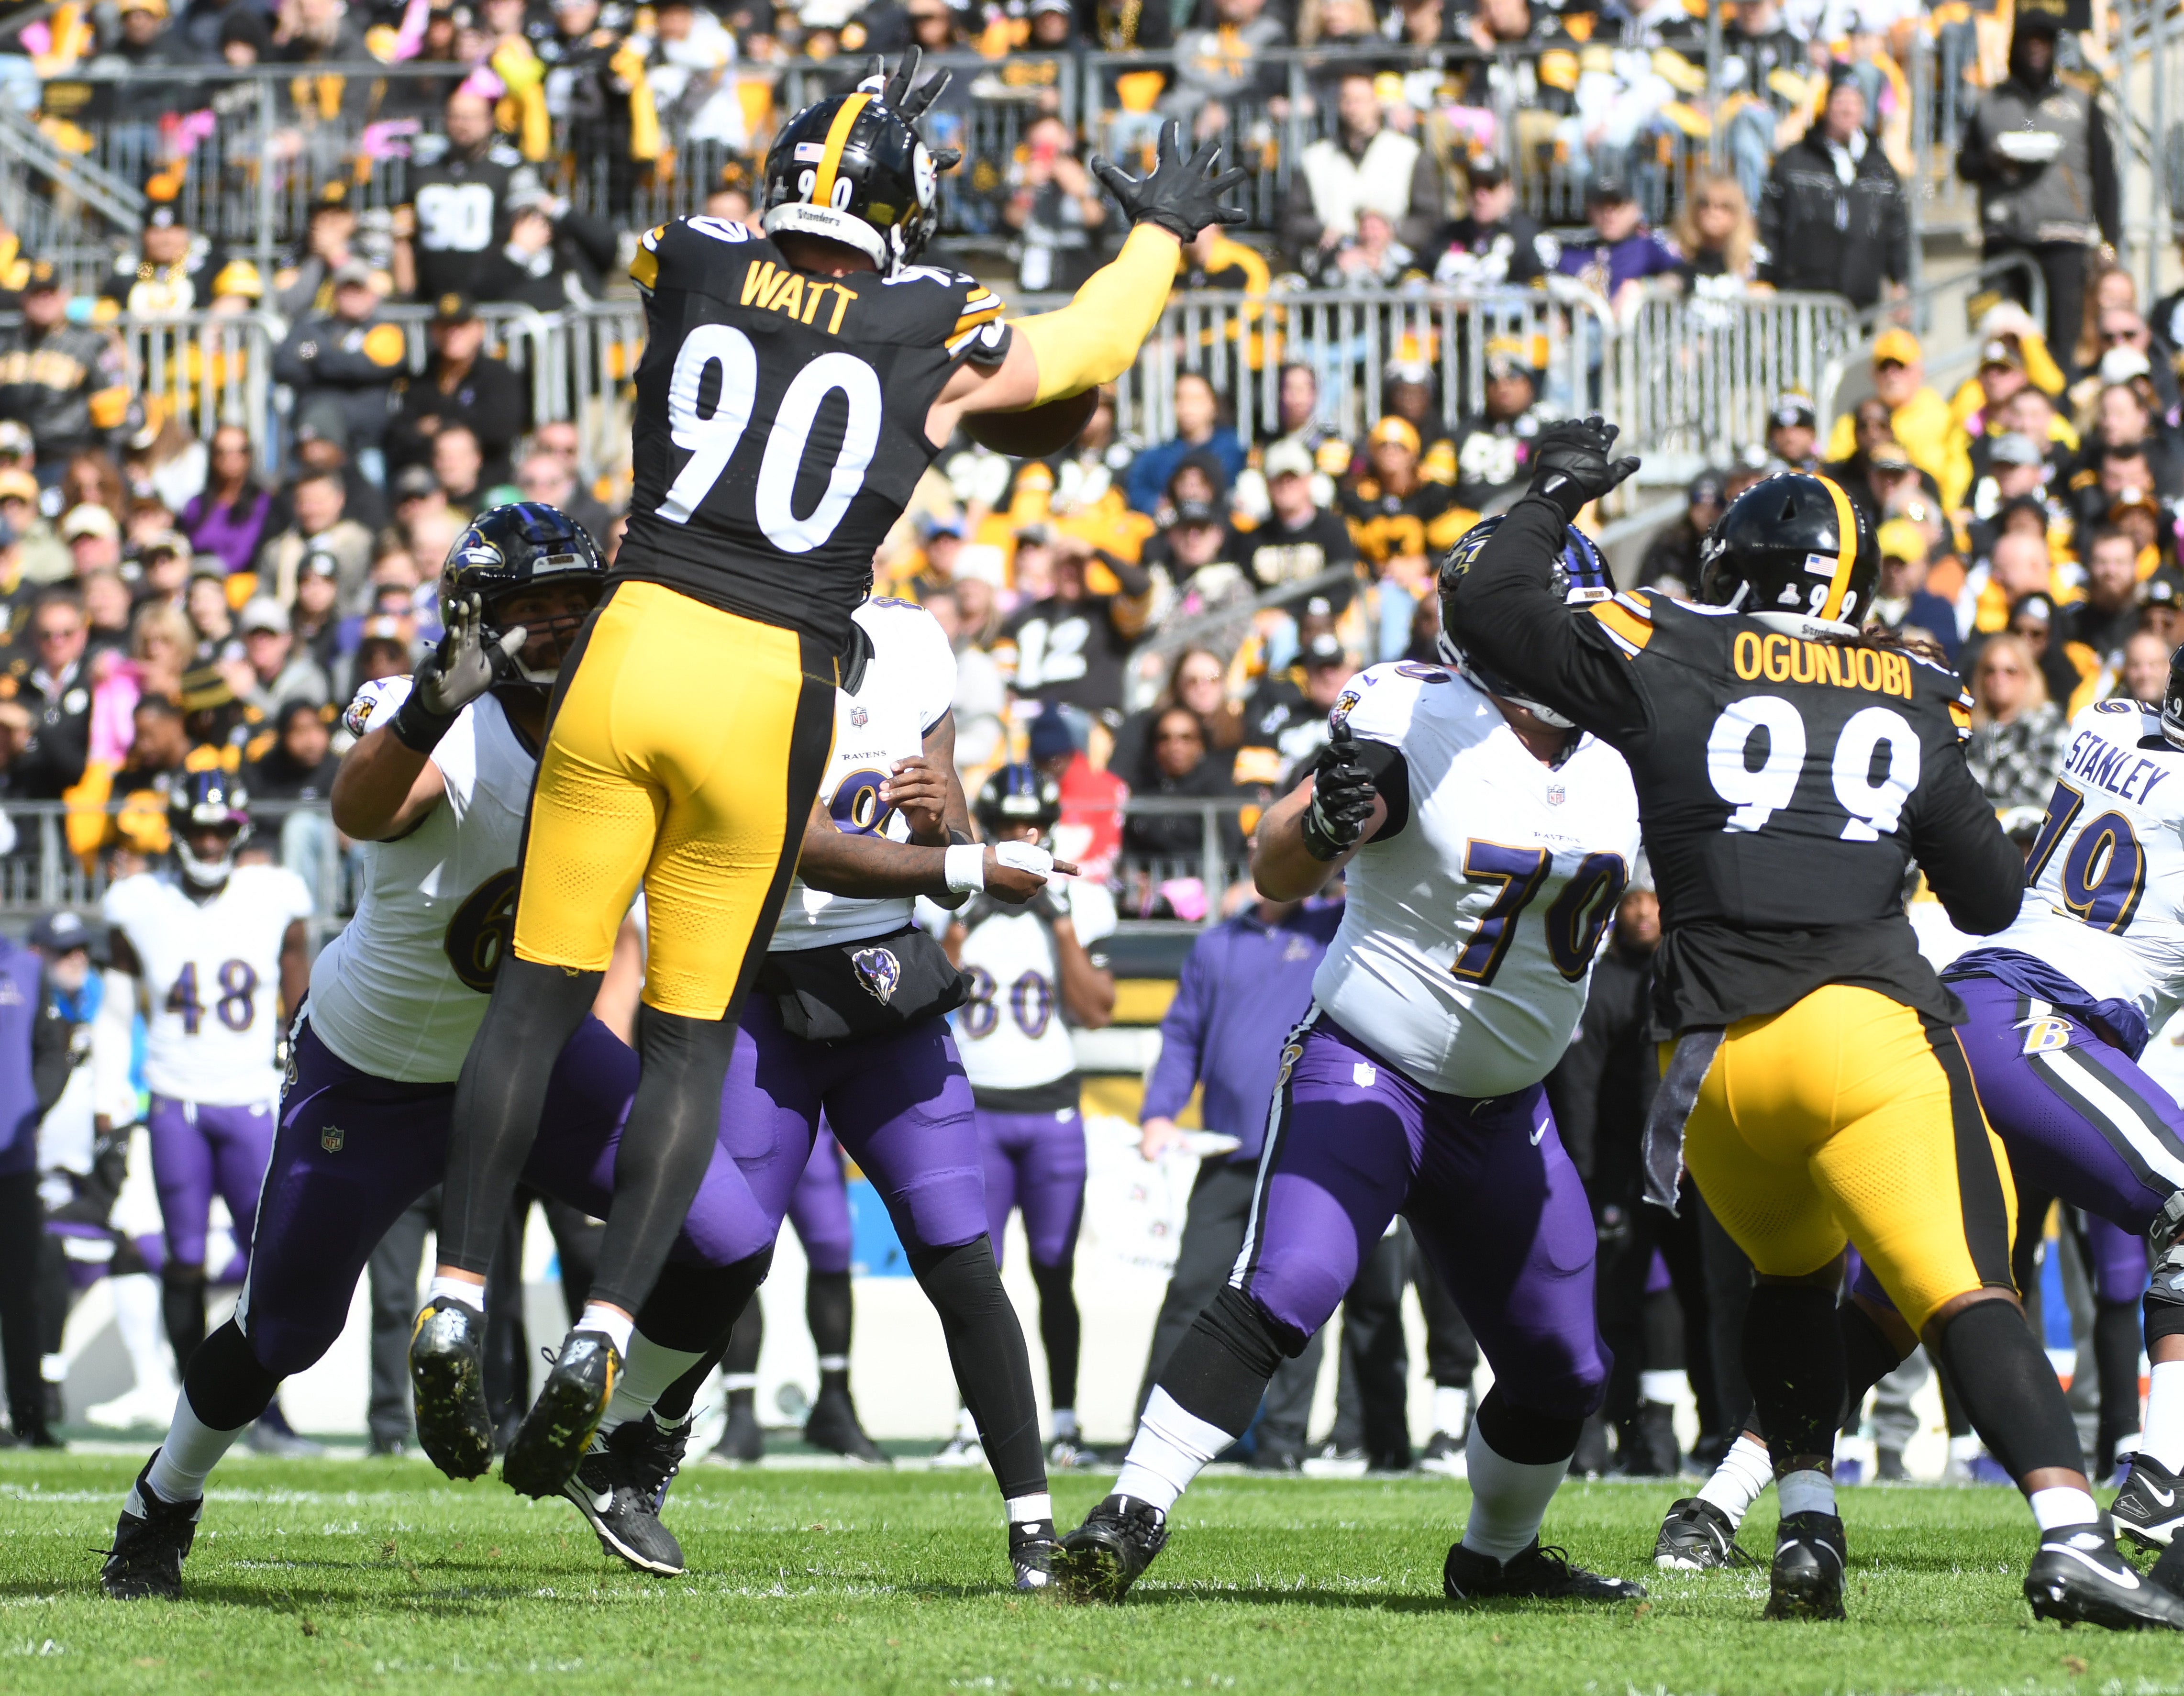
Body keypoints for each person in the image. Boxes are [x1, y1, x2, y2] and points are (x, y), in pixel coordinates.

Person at [407, 64, 1248, 1501]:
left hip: (634, 640)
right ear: (908, 212)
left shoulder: (696, 253)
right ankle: (607, 1330)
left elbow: (688, 256)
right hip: (771, 677)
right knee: (684, 1039)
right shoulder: (936, 320)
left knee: (539, 993)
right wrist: (1160, 236)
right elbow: (1089, 345)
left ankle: (459, 1287)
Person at [1444, 423, 2174, 1629]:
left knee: (1789, 1281)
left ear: (1726, 562)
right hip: (1860, 1030)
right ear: (1857, 582)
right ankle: (2073, 1531)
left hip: (1710, 1064)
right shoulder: (1907, 686)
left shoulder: (1662, 640)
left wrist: (1559, 494)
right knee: (1966, 1290)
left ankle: (1807, 1530)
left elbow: (1486, 603)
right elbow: (1992, 898)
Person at [94, 509, 785, 1598]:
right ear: (477, 618)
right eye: (532, 607)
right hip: (378, 1069)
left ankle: (622, 1443)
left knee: (729, 1235)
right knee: (286, 1325)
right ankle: (160, 1502)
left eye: (574, 601)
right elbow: (363, 806)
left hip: (537, 1055)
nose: (559, 624)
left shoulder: (627, 720)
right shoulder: (443, 716)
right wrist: (431, 699)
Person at [1055, 518, 1645, 1605]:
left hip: (1506, 1104)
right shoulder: (1418, 712)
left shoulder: (1623, 761)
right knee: (1291, 1280)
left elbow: (1657, 913)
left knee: (1566, 1367)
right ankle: (1128, 1510)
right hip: (1370, 1065)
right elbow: (1278, 861)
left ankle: (1496, 1558)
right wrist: (1320, 821)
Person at [583, 595, 1079, 1582]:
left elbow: (949, 818)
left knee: (959, 1254)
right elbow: (797, 842)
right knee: (726, 1252)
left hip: (887, 984)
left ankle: (1032, 1522)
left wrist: (948, 822)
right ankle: (632, 1435)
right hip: (763, 987)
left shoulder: (911, 642)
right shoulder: (738, 657)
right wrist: (961, 858)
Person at [1671, 660, 2184, 1585]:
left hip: (1976, 1011)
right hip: (2040, 1028)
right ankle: (2163, 1469)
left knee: (1902, 1302)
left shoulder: (2107, 723)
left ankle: (1718, 1500)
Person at [99, 770, 312, 1412]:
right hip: (175, 1099)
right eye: (200, 830)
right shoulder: (138, 903)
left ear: (239, 831)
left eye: (222, 831)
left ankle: (267, 1408)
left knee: (270, 1259)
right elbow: (113, 1015)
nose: (212, 843)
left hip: (251, 1096)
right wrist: (109, 1101)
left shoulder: (275, 894)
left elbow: (301, 1000)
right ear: (178, 832)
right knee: (185, 1257)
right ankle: (194, 1405)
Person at [1133, 883, 1344, 1469]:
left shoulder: (1333, 927)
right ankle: (1150, 1432)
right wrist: (1156, 1112)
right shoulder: (1215, 944)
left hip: (1303, 1153)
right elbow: (1181, 1035)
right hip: (1228, 1152)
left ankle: (1282, 1443)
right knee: (1190, 1290)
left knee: (1301, 1297)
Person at [942, 765, 1116, 1470]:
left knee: (1052, 1265)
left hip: (1050, 1107)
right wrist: (961, 922)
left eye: (1032, 823)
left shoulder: (1080, 900)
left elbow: (1096, 1009)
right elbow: (930, 997)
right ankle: (966, 1422)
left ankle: (1066, 1419)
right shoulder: (954, 893)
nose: (1021, 837)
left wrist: (1061, 923)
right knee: (976, 1274)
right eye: (1008, 825)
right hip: (978, 1106)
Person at [1959, 10, 2119, 377]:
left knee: (2065, 341)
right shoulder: (1990, 103)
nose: (2036, 50)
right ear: (2015, 46)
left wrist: (2109, 240)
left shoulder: (2079, 101)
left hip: (2064, 238)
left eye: (2043, 42)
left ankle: (2059, 417)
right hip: (2003, 237)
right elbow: (1964, 166)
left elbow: (2105, 176)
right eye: (2029, 41)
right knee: (1999, 337)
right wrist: (1991, 162)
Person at [1756, 68, 1910, 310]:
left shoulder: (1880, 167)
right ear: (1826, 106)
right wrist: (1763, 276)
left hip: (1862, 295)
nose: (1847, 110)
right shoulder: (1794, 161)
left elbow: (1897, 228)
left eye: (1854, 102)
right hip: (1802, 295)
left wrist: (1900, 280)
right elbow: (1769, 221)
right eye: (1840, 101)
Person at [1279, 70, 1443, 269]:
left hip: (1395, 270)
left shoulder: (1409, 153)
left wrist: (1390, 233)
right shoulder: (1314, 158)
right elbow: (1292, 220)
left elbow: (1430, 218)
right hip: (1333, 267)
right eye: (1346, 99)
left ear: (1377, 103)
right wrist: (1323, 232)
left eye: (1360, 100)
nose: (1352, 107)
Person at [395, 88, 541, 305]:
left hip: (493, 295)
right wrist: (406, 291)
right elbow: (403, 232)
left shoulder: (509, 169)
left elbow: (529, 229)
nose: (463, 124)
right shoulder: (423, 169)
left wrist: (512, 261)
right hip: (432, 298)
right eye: (456, 116)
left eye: (471, 117)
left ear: (489, 121)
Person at [271, 264, 407, 487]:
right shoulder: (311, 328)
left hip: (365, 443)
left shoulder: (385, 332)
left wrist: (318, 358)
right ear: (334, 294)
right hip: (317, 443)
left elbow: (371, 367)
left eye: (359, 290)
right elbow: (284, 365)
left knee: (370, 499)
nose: (351, 297)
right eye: (345, 290)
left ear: (372, 296)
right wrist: (344, 362)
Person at [0, 262, 135, 480]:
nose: (45, 301)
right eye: (37, 294)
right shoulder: (7, 345)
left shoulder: (91, 343)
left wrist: (107, 466)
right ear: (23, 298)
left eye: (50, 294)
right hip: (11, 462)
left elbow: (113, 414)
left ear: (65, 296)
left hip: (67, 461)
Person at [384, 294, 529, 488]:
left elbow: (500, 430)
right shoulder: (422, 379)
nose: (453, 333)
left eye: (461, 326)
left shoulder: (498, 375)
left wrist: (438, 425)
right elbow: (400, 434)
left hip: (488, 481)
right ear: (434, 331)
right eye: (445, 326)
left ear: (479, 330)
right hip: (431, 485)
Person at [1433, 155, 1557, 288]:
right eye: (1474, 187)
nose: (1480, 197)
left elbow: (1545, 289)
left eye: (1490, 187)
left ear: (1508, 191)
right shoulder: (1449, 233)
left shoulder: (1529, 235)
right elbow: (1418, 275)